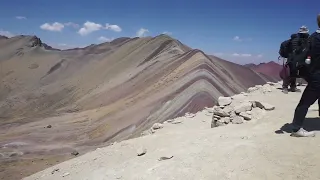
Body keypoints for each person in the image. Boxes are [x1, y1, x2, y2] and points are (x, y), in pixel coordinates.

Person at [290, 15, 320, 137]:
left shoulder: (313, 37)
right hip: (317, 76)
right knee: (305, 102)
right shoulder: (317, 39)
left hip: (313, 74)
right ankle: (296, 129)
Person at [282, 26, 310, 94]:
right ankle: (285, 87)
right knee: (290, 73)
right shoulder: (298, 40)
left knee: (293, 72)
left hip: (294, 58)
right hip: (293, 58)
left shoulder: (298, 39)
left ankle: (292, 87)